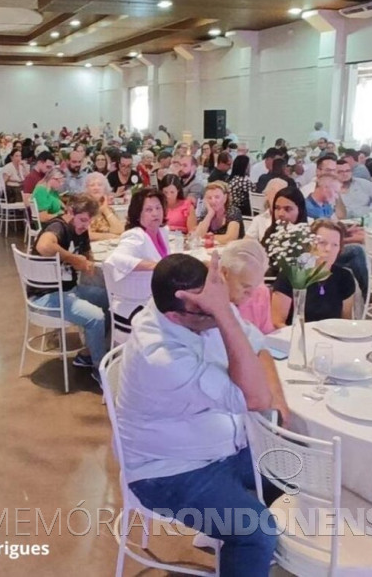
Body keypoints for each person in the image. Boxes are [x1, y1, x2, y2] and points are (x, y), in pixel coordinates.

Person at [116, 254, 282, 577]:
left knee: (298, 475)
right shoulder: (162, 358)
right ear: (177, 316)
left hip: (223, 447)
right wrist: (223, 314)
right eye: (212, 309)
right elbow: (257, 397)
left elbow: (258, 344)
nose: (227, 309)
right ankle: (245, 546)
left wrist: (280, 400)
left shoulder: (199, 308)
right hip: (168, 471)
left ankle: (227, 536)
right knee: (258, 532)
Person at [29, 194, 108, 373]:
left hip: (69, 290)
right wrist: (73, 259)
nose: (84, 226)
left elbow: (88, 258)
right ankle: (101, 371)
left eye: (88, 222)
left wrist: (88, 262)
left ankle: (89, 354)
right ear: (70, 211)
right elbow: (44, 246)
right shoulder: (58, 226)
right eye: (82, 220)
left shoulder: (82, 230)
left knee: (110, 300)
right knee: (95, 317)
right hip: (45, 296)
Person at [103, 188, 170, 324]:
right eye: (149, 210)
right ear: (138, 215)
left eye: (158, 208)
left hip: (154, 301)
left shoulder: (162, 232)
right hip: (132, 306)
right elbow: (115, 259)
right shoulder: (136, 235)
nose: (155, 213)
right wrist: (156, 266)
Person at [271, 220, 355, 327]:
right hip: (295, 338)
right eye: (322, 243)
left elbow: (345, 323)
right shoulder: (291, 275)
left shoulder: (344, 277)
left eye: (335, 245)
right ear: (309, 245)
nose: (328, 249)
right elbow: (277, 322)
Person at [221, 239, 275, 334]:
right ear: (224, 273)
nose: (252, 294)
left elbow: (267, 336)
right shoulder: (206, 298)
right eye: (245, 287)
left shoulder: (261, 292)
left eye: (256, 285)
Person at [245, 178, 288, 243]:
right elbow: (245, 243)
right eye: (275, 195)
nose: (279, 200)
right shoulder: (259, 220)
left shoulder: (293, 219)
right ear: (267, 196)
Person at [84, 173, 123, 240]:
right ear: (86, 189)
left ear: (105, 189)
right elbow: (86, 235)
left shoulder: (107, 209)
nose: (96, 188)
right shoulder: (83, 208)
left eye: (100, 185)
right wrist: (108, 236)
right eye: (92, 185)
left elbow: (119, 230)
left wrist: (105, 209)